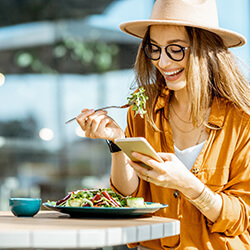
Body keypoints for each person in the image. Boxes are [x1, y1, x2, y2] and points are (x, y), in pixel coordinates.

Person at [76, 0, 250, 249]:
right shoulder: (143, 109)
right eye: (154, 49)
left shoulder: (242, 121)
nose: (163, 62)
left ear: (205, 49)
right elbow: (130, 198)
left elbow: (243, 216)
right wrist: (117, 142)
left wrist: (187, 184)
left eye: (176, 49)